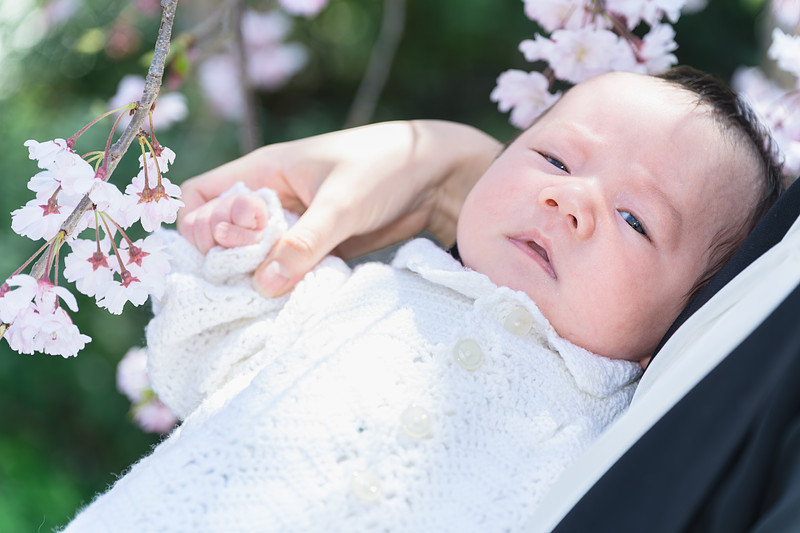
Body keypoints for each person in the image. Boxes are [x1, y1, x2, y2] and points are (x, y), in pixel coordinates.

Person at [61, 67, 782, 532]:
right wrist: (237, 256)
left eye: (635, 219)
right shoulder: (358, 297)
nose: (570, 200)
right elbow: (196, 357)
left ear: (690, 322)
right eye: (554, 158)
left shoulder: (613, 444)